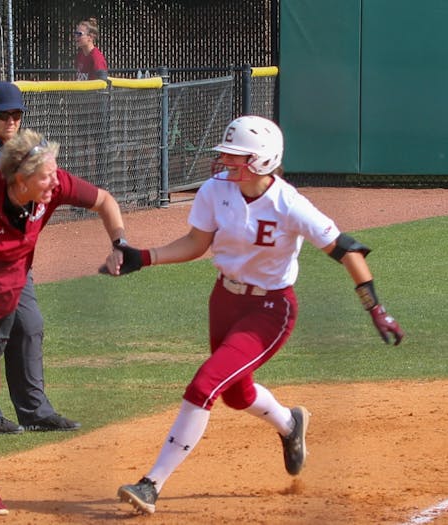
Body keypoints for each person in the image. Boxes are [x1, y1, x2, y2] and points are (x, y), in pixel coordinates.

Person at [105, 115, 404, 515]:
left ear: (263, 161)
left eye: (238, 156)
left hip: (270, 309)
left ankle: (151, 483)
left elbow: (346, 250)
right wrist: (144, 257)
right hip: (224, 300)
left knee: (205, 384)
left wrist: (376, 309)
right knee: (236, 393)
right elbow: (197, 242)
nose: (227, 161)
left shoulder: (289, 203)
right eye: (227, 154)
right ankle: (290, 424)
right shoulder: (215, 191)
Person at [0, 128, 129, 515]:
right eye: (46, 175)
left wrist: (120, 245)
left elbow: (104, 200)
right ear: (21, 179)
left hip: (7, 290)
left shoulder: (50, 185)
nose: (56, 180)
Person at [0, 80, 81, 434]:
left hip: (14, 262)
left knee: (29, 326)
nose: (11, 120)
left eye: (16, 113)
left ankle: (35, 411)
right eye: (3, 114)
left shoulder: (23, 149)